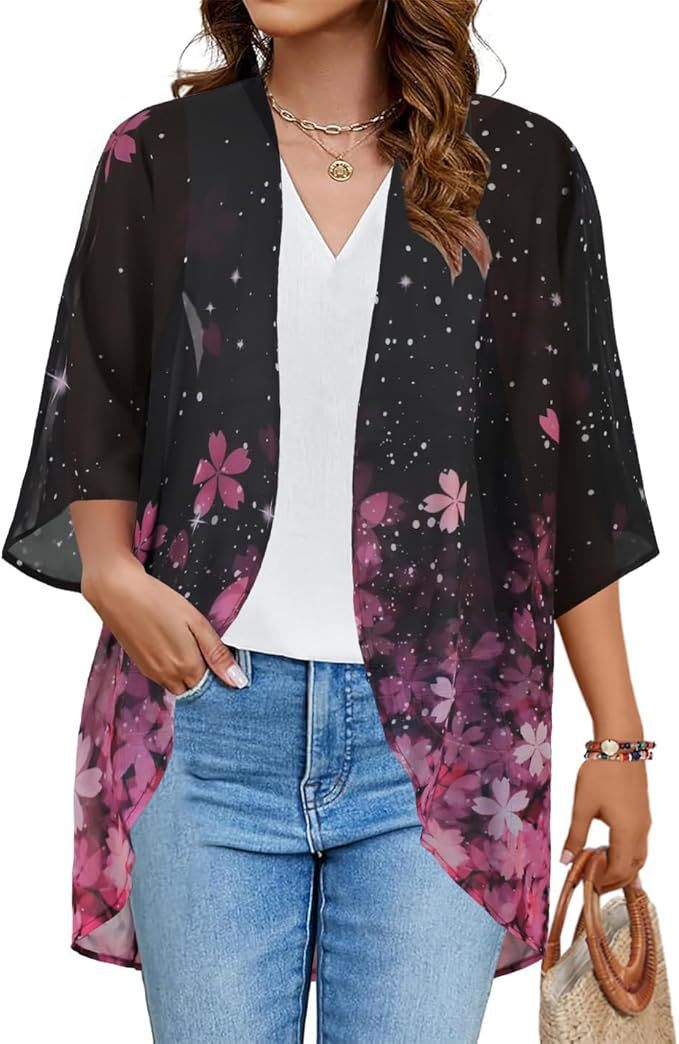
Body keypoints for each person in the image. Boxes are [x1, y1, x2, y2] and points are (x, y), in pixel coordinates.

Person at [2, 1, 659, 1041]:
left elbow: (572, 472)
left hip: (446, 747)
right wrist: (108, 572)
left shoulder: (521, 168)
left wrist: (617, 742)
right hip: (206, 730)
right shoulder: (161, 155)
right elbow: (97, 397)